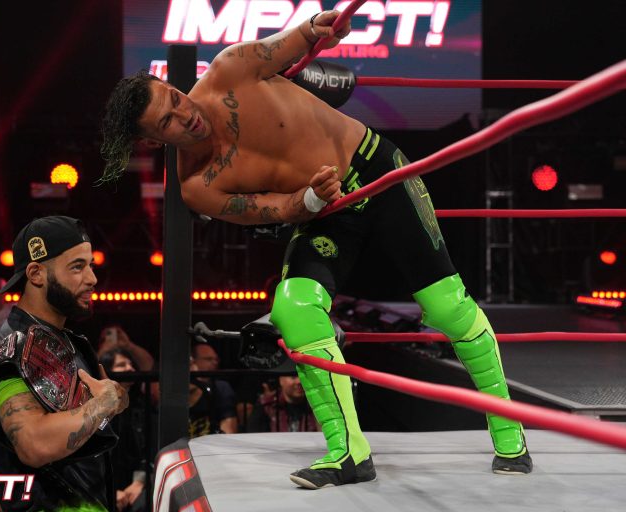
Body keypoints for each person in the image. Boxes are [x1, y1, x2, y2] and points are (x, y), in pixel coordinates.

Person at [101, 10, 532, 489]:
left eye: (175, 99)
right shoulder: (198, 186)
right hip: (325, 210)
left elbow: (297, 38)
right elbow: (271, 210)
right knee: (292, 307)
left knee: (447, 306)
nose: (186, 115)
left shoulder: (229, 69)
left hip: (377, 170)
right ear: (152, 140)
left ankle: (509, 435)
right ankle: (348, 451)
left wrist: (320, 27)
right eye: (168, 122)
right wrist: (306, 201)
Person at [0, 216, 129, 511]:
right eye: (77, 267)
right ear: (36, 274)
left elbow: (102, 411)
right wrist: (105, 402)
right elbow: (33, 445)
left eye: (91, 265)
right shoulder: (11, 347)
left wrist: (110, 400)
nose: (92, 279)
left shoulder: (70, 343)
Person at [100, 348, 148, 512]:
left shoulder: (142, 405)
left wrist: (139, 482)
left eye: (131, 364)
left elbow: (150, 448)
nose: (130, 368)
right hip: (104, 484)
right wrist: (111, 491)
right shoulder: (95, 408)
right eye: (122, 365)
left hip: (135, 482)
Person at [248, 375, 319, 434]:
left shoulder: (318, 404)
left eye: (303, 376)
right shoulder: (266, 405)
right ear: (281, 380)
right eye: (293, 377)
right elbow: (255, 436)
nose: (299, 381)